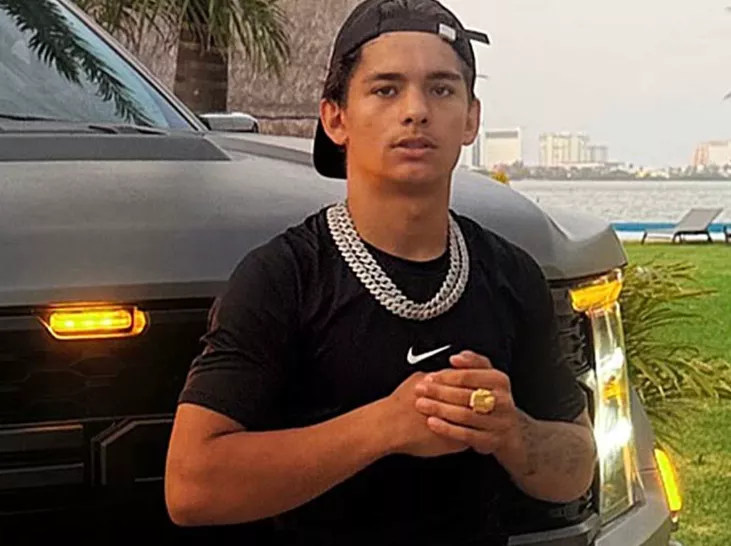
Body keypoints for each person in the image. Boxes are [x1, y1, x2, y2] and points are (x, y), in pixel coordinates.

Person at [164, 0, 597, 544]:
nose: (416, 111)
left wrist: (511, 431)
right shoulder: (282, 278)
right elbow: (192, 488)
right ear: (336, 118)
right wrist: (384, 427)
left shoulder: (512, 276)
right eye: (386, 90)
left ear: (471, 119)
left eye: (441, 90)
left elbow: (575, 470)